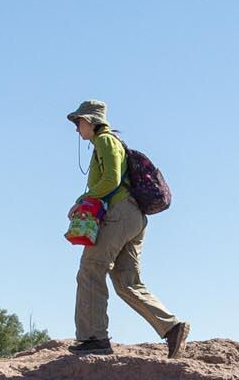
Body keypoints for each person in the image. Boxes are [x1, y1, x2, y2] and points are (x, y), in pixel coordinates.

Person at [65, 101, 188, 357]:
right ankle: (172, 327)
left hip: (119, 213)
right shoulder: (110, 143)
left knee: (91, 268)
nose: (77, 128)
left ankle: (93, 338)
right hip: (134, 217)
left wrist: (82, 202)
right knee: (126, 282)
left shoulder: (105, 141)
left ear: (91, 120)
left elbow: (111, 179)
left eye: (79, 122)